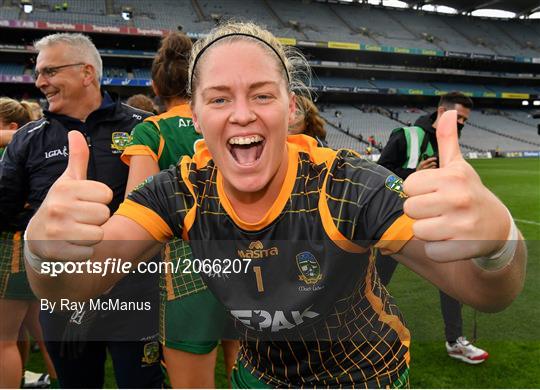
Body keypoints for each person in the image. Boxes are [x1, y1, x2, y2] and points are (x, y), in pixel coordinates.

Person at [25, 22, 526, 388]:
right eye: (219, 99)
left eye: (261, 95)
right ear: (195, 115)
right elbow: (75, 283)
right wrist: (42, 248)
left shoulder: (348, 184)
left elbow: (486, 292)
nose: (242, 114)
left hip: (363, 375)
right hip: (258, 374)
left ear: (290, 108)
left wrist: (497, 241)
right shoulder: (179, 190)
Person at [0, 33, 163, 388]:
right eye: (38, 73)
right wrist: (38, 232)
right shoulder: (29, 139)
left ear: (87, 73)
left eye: (50, 71)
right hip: (63, 301)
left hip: (135, 296)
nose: (40, 81)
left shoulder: (143, 128)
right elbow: (4, 208)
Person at [121, 31, 238, 388]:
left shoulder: (150, 131)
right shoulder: (230, 122)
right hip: (247, 259)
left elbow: (139, 206)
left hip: (188, 268)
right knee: (249, 372)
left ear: (156, 86)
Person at [377, 92, 489, 364]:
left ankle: (455, 342)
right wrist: (412, 176)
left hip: (434, 226)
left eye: (465, 120)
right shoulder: (407, 136)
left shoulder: (451, 146)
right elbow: (379, 176)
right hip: (395, 225)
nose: (461, 123)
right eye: (457, 117)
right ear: (442, 111)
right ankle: (363, 340)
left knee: (453, 282)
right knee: (374, 286)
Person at [0, 97, 57, 388]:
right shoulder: (34, 146)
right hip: (32, 245)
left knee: (3, 341)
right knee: (41, 332)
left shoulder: (18, 150)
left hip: (15, 244)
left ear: (11, 126)